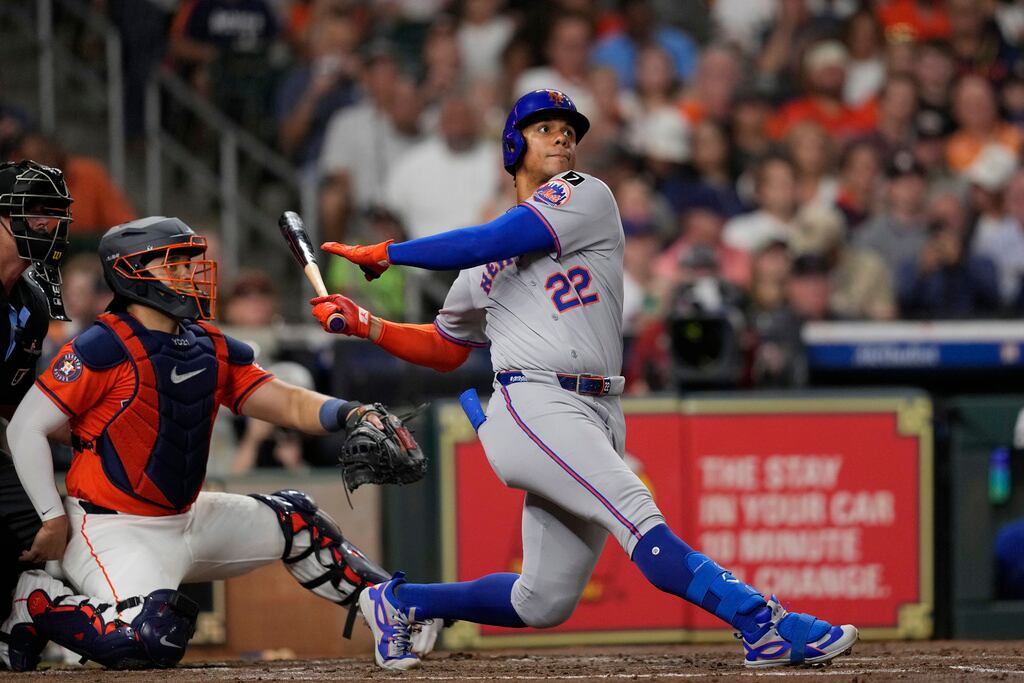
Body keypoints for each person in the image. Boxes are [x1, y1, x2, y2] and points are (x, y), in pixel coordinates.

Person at [310, 88, 858, 671]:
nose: (562, 138)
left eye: (568, 131)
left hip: (597, 408)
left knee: (542, 601)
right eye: (545, 128)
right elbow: (447, 347)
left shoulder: (585, 194)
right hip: (534, 403)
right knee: (636, 513)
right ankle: (763, 625)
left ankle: (399, 602)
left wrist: (390, 253)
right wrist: (369, 325)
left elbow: (492, 239)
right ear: (514, 145)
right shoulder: (481, 260)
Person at [0, 216, 437, 671]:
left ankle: (391, 607)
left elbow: (285, 401)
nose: (189, 271)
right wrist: (52, 518)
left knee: (298, 520)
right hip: (111, 529)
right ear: (131, 272)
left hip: (188, 517)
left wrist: (351, 413)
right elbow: (24, 427)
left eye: (189, 261)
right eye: (173, 263)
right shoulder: (102, 346)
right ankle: (36, 602)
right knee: (150, 639)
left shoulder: (208, 342)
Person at [0, 160, 72, 649]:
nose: (48, 224)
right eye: (33, 211)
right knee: (32, 516)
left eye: (55, 212)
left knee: (31, 523)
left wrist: (95, 433)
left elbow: (19, 401)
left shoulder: (33, 305)